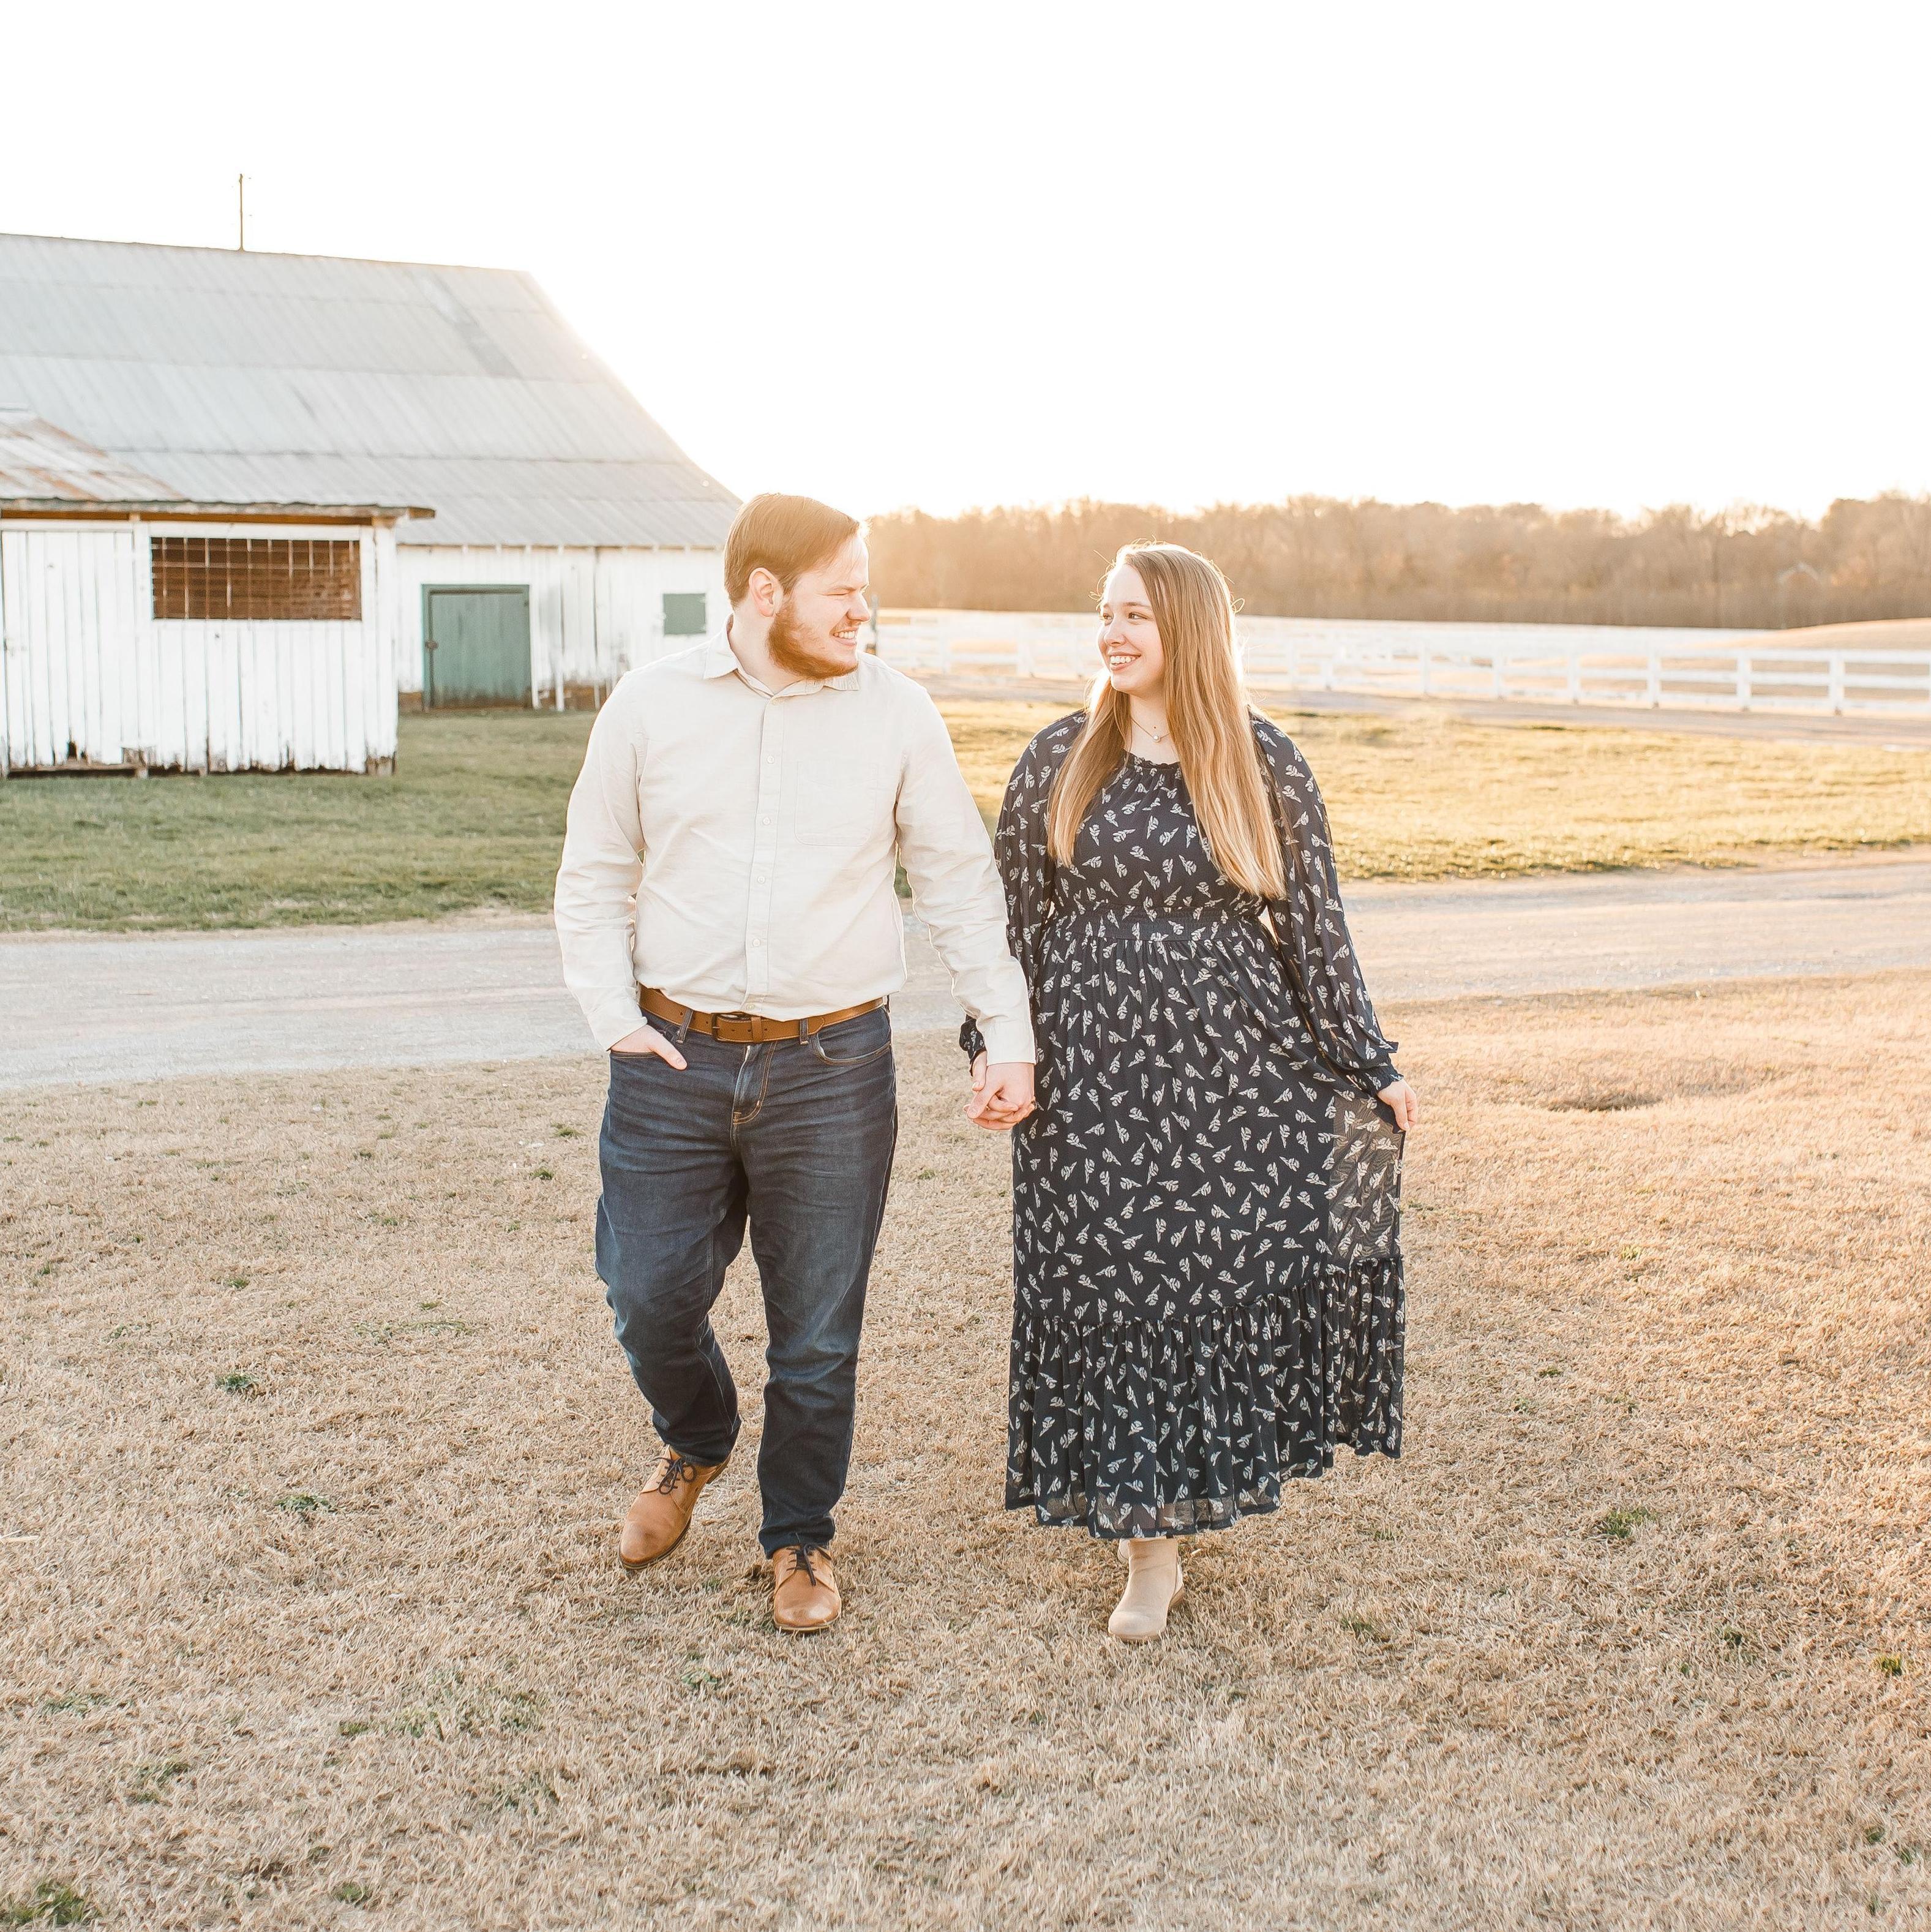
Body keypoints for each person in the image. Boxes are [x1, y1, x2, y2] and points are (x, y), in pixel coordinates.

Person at [555, 493, 1036, 1633]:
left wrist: (1006, 1034)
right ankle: (696, 1439)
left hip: (833, 1068)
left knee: (816, 1331)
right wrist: (614, 1017)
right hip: (670, 1061)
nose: (863, 612)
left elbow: (958, 884)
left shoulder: (896, 712)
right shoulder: (649, 704)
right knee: (645, 1295)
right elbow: (595, 871)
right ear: (764, 592)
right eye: (843, 591)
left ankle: (798, 1537)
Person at [963, 542, 1416, 1642]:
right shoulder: (1060, 756)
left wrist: (1368, 1062)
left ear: (1190, 629)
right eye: (1105, 612)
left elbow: (1314, 926)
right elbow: (1007, 925)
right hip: (1088, 1080)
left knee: (1198, 1289)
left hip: (1228, 1076)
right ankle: (1146, 1551)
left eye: (1136, 615)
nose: (1112, 633)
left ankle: (1168, 1525)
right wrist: (992, 1046)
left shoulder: (1263, 762)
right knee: (1112, 1290)